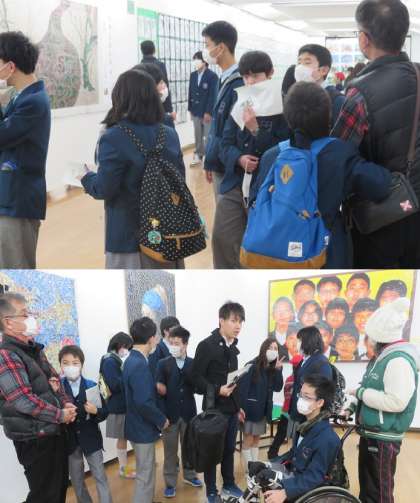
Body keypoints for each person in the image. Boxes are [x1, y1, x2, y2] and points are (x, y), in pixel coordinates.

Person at [252, 82, 391, 268]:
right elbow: (379, 185)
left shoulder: (271, 156)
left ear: (288, 118)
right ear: (329, 116)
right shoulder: (339, 153)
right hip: (327, 255)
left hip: (278, 254)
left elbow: (254, 200)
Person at [332, 0, 420, 268]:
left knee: (380, 288)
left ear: (363, 39)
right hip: (415, 206)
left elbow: (338, 157)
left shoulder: (359, 93)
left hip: (381, 216)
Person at [80, 69, 185, 270]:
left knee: (132, 287)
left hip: (129, 239)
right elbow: (180, 181)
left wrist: (86, 177)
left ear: (121, 98)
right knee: (167, 286)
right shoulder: (170, 134)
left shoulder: (114, 136)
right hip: (169, 234)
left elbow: (104, 188)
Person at [215, 50, 290, 268]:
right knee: (222, 237)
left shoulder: (283, 107)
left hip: (267, 188)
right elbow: (224, 144)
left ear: (270, 73)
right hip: (235, 182)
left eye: (255, 76)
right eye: (246, 77)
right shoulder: (240, 103)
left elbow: (283, 149)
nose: (250, 82)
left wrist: (256, 129)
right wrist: (239, 159)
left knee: (258, 244)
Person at [0, 293, 76, 503]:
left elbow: (54, 379)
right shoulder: (6, 355)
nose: (31, 318)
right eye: (25, 314)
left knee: (58, 490)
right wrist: (60, 415)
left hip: (53, 431)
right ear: (9, 322)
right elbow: (23, 400)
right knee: (44, 495)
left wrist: (65, 402)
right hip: (35, 438)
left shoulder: (34, 349)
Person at [346, 297, 419, 503]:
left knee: (379, 492)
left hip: (383, 438)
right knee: (368, 488)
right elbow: (368, 387)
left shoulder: (398, 361)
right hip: (371, 432)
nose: (367, 340)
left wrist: (360, 393)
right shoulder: (381, 358)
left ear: (379, 336)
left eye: (369, 336)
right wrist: (352, 406)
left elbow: (397, 402)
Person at [0, 31, 51, 268]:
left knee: (16, 273)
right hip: (11, 196)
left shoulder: (33, 101)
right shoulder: (22, 97)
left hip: (18, 199)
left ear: (10, 67)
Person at [191, 301, 246, 503]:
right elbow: (195, 379)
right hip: (214, 410)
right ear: (221, 320)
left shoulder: (233, 347)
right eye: (233, 320)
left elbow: (233, 381)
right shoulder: (206, 346)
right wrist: (217, 390)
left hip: (231, 409)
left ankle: (229, 484)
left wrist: (238, 407)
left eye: (240, 321)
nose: (238, 326)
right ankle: (212, 491)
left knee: (229, 449)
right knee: (211, 452)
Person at [264, 374, 341, 503]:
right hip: (297, 476)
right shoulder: (305, 425)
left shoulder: (327, 439)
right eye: (300, 395)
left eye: (307, 397)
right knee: (261, 476)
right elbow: (293, 454)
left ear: (320, 403)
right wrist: (268, 464)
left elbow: (314, 477)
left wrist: (285, 492)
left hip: (313, 489)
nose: (300, 400)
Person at [122, 316, 169, 503]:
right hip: (141, 428)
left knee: (146, 471)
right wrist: (161, 419)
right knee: (145, 475)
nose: (156, 340)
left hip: (135, 426)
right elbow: (143, 402)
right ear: (151, 339)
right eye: (155, 337)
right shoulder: (139, 364)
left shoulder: (131, 359)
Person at [59, 345, 113, 503]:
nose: (70, 367)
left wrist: (96, 411)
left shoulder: (92, 386)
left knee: (100, 476)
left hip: (91, 439)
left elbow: (105, 412)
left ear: (81, 365)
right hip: (69, 442)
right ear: (60, 365)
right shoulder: (57, 388)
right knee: (77, 481)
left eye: (75, 363)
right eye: (66, 363)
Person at [156, 325, 202, 497]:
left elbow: (198, 388)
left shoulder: (193, 363)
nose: (174, 346)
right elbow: (159, 389)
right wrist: (162, 415)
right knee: (170, 452)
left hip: (189, 413)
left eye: (177, 343)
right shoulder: (163, 364)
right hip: (170, 415)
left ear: (185, 344)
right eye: (172, 343)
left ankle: (190, 475)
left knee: (189, 447)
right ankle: (170, 483)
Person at [202, 21, 243, 201]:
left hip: (228, 165)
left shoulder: (239, 82)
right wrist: (209, 159)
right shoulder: (223, 78)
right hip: (218, 160)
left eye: (207, 45)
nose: (205, 51)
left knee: (226, 214)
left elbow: (230, 130)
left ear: (220, 48)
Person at [240, 338, 284, 469]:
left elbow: (277, 387)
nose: (273, 351)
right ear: (264, 348)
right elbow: (242, 389)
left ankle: (255, 467)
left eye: (276, 349)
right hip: (250, 410)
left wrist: (278, 370)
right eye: (270, 347)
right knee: (248, 440)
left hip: (264, 410)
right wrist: (240, 409)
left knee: (256, 440)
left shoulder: (272, 368)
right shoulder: (252, 365)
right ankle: (249, 469)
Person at [100, 331, 135, 479]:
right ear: (120, 345)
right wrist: (129, 377)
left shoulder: (113, 359)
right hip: (118, 406)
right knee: (123, 438)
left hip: (121, 405)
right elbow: (114, 384)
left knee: (126, 436)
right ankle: (123, 469)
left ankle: (130, 466)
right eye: (127, 347)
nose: (128, 350)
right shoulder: (110, 361)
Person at [289, 326, 333, 425]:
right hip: (300, 412)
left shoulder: (321, 362)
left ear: (308, 341)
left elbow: (324, 391)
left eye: (299, 340)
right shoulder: (305, 360)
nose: (297, 343)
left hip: (310, 416)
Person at [294, 44, 345, 125]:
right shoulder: (296, 96)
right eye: (299, 63)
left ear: (323, 70)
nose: (300, 68)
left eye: (307, 62)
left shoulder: (337, 100)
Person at [267, 354, 303, 461]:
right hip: (294, 412)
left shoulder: (289, 379)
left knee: (280, 435)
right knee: (296, 436)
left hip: (285, 411)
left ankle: (272, 453)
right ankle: (294, 455)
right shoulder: (300, 381)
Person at [188, 51, 218, 166]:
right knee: (197, 134)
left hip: (206, 112)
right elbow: (190, 92)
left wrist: (208, 112)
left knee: (208, 136)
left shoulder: (212, 76)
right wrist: (190, 108)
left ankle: (209, 156)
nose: (195, 62)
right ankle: (198, 155)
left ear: (204, 62)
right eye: (194, 59)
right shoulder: (193, 75)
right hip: (195, 110)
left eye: (197, 59)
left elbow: (213, 96)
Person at [133, 62, 176, 129]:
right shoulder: (165, 122)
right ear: (150, 88)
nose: (165, 85)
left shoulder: (122, 124)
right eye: (161, 83)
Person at [140, 40, 175, 121]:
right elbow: (165, 87)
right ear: (154, 50)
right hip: (160, 105)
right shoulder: (160, 65)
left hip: (145, 107)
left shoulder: (139, 67)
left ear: (142, 51)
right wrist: (170, 109)